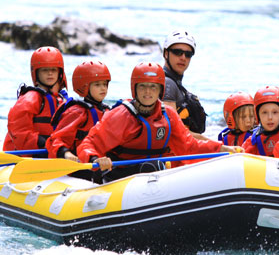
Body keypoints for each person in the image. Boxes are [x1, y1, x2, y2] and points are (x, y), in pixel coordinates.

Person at [77, 62, 238, 182]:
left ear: (160, 90)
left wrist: (222, 148)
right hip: (121, 177)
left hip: (154, 177)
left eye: (153, 87)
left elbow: (189, 146)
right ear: (135, 89)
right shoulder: (120, 116)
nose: (148, 92)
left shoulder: (168, 115)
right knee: (152, 167)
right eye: (143, 87)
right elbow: (88, 144)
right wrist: (95, 159)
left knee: (156, 167)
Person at [46, 60, 111, 176]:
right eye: (97, 84)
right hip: (79, 167)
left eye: (105, 84)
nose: (103, 89)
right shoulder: (76, 112)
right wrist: (66, 154)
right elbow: (55, 140)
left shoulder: (108, 112)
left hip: (100, 163)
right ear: (84, 86)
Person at [3, 46, 69, 154]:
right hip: (26, 154)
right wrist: (43, 143)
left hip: (52, 152)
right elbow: (18, 130)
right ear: (36, 73)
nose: (50, 73)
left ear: (60, 73)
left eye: (53, 70)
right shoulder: (30, 99)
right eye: (45, 70)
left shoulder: (63, 100)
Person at [161, 30, 208, 136]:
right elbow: (175, 132)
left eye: (188, 54)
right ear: (166, 53)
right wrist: (221, 147)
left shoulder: (175, 85)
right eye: (177, 52)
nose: (183, 57)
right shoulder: (167, 84)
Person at [242, 86, 279, 156]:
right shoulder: (252, 142)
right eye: (264, 113)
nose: (270, 118)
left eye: (275, 112)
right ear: (257, 115)